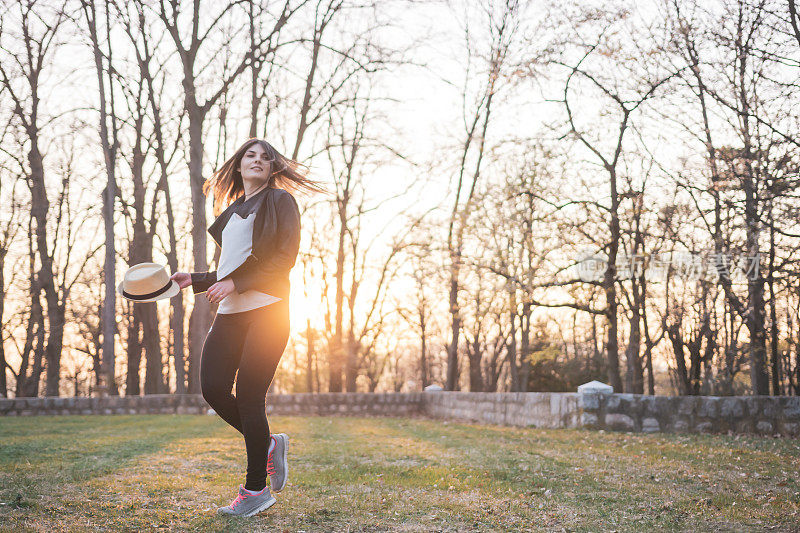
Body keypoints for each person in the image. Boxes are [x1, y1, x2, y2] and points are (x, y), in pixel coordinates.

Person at [170, 138, 325, 517]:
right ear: (239, 166)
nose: (257, 161)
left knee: (251, 396)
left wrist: (235, 283)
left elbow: (283, 258)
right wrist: (197, 278)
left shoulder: (280, 201)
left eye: (265, 158)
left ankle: (255, 490)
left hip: (268, 311)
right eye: (250, 156)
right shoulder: (233, 210)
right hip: (231, 314)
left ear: (272, 168)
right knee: (212, 389)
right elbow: (230, 268)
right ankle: (269, 444)